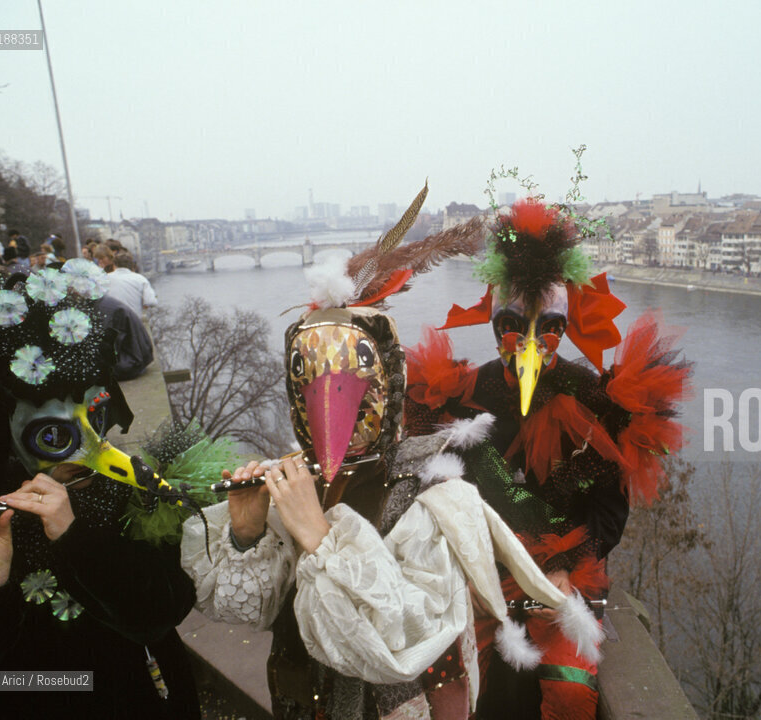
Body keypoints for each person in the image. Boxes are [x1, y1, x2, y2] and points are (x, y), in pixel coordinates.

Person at [181, 188, 602, 720]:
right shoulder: (299, 481)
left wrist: (321, 539)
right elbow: (248, 608)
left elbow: (406, 639)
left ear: (387, 388)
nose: (330, 419)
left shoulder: (430, 494)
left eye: (353, 396)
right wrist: (245, 532)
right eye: (310, 395)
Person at [404, 198, 692, 720]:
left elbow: (609, 507)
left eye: (548, 327)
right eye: (514, 326)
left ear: (564, 325)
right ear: (496, 327)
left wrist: (568, 568)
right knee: (453, 687)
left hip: (565, 576)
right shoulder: (464, 395)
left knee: (569, 688)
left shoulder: (593, 401)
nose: (532, 344)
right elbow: (438, 498)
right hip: (481, 573)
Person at [0, 260, 202, 719]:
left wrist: (79, 540)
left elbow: (164, 610)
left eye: (95, 416)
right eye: (56, 436)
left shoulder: (127, 491)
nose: (93, 451)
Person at [105, 250, 158, 318]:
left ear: (114, 265)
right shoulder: (140, 279)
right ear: (131, 265)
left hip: (111, 320)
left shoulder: (105, 278)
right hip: (133, 320)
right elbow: (151, 302)